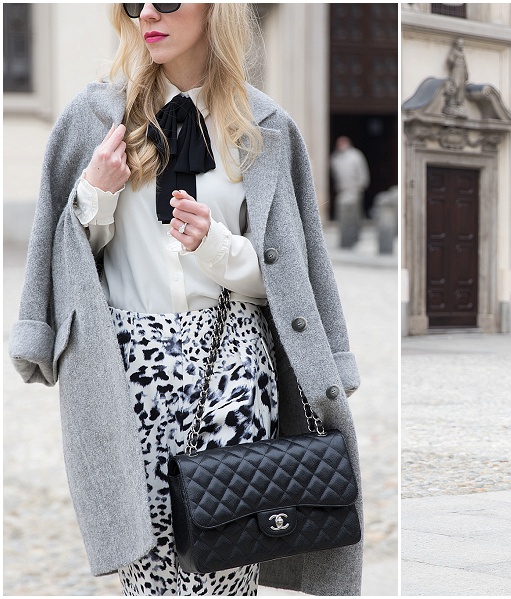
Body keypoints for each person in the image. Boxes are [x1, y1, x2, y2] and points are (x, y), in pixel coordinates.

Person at [9, 4, 362, 595]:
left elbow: (292, 276)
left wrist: (220, 249)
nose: (148, 12)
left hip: (234, 372)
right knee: (149, 574)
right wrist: (93, 195)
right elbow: (67, 262)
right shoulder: (93, 118)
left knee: (228, 561)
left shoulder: (266, 126)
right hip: (130, 375)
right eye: (134, 0)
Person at [330, 135, 370, 248]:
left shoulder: (356, 156)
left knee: (355, 216)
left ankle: (355, 237)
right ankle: (344, 239)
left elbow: (363, 172)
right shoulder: (335, 158)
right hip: (342, 191)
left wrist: (360, 186)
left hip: (354, 190)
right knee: (342, 216)